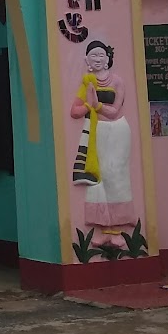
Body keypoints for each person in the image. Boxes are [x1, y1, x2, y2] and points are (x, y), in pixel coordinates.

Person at [69, 40, 134, 236]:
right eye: (93, 55)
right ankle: (104, 226)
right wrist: (88, 107)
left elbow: (114, 111)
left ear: (107, 59)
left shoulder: (117, 81)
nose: (97, 59)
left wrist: (96, 105)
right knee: (99, 176)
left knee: (116, 173)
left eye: (101, 55)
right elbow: (74, 110)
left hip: (117, 130)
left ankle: (119, 224)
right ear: (86, 59)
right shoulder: (87, 82)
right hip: (97, 130)